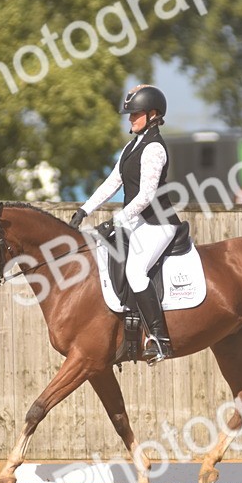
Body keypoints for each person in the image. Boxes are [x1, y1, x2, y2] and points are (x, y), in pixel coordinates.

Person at [69, 84, 182, 363]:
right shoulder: (133, 145)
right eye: (129, 115)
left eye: (135, 114)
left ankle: (160, 340)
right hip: (137, 222)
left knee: (135, 272)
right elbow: (112, 182)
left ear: (153, 114)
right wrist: (84, 210)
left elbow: (146, 195)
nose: (130, 119)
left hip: (159, 224)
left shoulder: (154, 148)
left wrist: (116, 219)